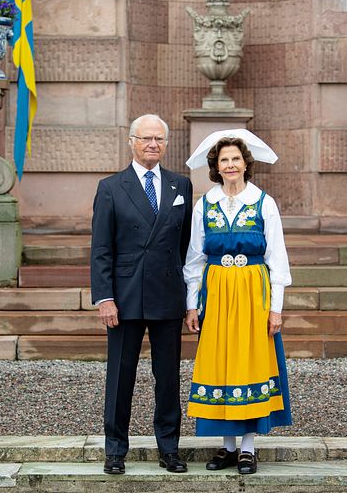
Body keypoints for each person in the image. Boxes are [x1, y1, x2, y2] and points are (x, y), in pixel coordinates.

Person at [184, 129, 292, 475]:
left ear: (247, 163)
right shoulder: (206, 204)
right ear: (215, 166)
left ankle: (247, 448)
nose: (230, 165)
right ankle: (227, 447)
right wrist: (191, 303)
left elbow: (278, 258)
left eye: (236, 159)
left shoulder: (264, 202)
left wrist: (276, 307)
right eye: (223, 160)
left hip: (252, 293)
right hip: (215, 293)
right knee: (220, 362)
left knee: (250, 363)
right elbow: (195, 257)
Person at [90, 114, 193, 476]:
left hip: (167, 295)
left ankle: (169, 449)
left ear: (166, 144)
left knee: (168, 379)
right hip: (124, 297)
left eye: (159, 139)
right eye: (146, 138)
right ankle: (115, 450)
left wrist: (187, 296)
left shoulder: (181, 185)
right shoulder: (111, 187)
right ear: (131, 141)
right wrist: (104, 297)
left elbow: (184, 247)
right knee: (120, 377)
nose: (153, 144)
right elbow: (101, 248)